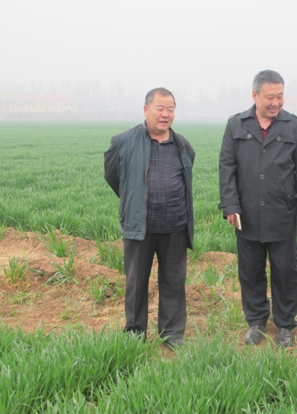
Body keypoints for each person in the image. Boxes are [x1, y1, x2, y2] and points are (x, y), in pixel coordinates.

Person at [219, 70, 297, 348]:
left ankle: (285, 325)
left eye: (280, 96)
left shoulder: (294, 127)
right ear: (255, 95)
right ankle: (256, 321)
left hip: (282, 213)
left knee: (285, 272)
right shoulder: (236, 125)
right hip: (246, 214)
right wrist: (230, 205)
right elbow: (227, 168)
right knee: (250, 271)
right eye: (270, 97)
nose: (276, 102)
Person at [104, 87, 195, 348]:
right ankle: (135, 334)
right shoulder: (123, 142)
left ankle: (172, 334)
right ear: (146, 110)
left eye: (170, 109)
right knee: (136, 282)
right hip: (139, 227)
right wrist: (134, 200)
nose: (165, 114)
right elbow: (113, 176)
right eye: (160, 108)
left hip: (175, 227)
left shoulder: (182, 145)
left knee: (174, 281)